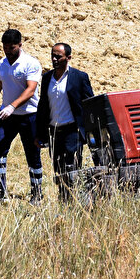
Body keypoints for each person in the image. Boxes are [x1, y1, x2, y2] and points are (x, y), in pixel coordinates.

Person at [0, 29, 44, 204]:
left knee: (32, 154)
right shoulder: (2, 64)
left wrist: (13, 106)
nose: (8, 51)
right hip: (8, 116)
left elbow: (30, 90)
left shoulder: (31, 63)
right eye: (5, 48)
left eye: (12, 47)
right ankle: (0, 191)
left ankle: (37, 193)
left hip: (29, 115)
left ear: (20, 45)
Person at [36, 42, 95, 202]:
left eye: (58, 56)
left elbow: (89, 104)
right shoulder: (47, 78)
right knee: (58, 169)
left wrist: (91, 130)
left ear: (68, 58)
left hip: (72, 132)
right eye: (52, 55)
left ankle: (76, 201)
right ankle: (64, 200)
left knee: (72, 169)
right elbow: (43, 107)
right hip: (54, 133)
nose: (54, 59)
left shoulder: (79, 77)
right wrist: (39, 133)